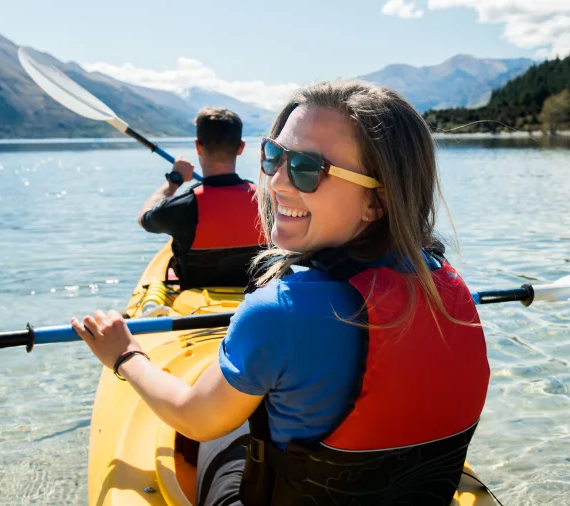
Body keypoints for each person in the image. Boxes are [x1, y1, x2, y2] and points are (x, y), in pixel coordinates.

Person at [74, 81, 490, 506]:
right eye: (273, 156)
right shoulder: (451, 285)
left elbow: (193, 418)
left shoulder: (280, 311)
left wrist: (124, 354)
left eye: (308, 169)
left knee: (223, 433)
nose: (275, 183)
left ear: (377, 201)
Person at [138, 107, 265, 289]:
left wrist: (174, 181)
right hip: (256, 304)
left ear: (198, 146)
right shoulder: (267, 201)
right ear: (241, 147)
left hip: (197, 312)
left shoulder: (183, 207)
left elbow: (144, 218)